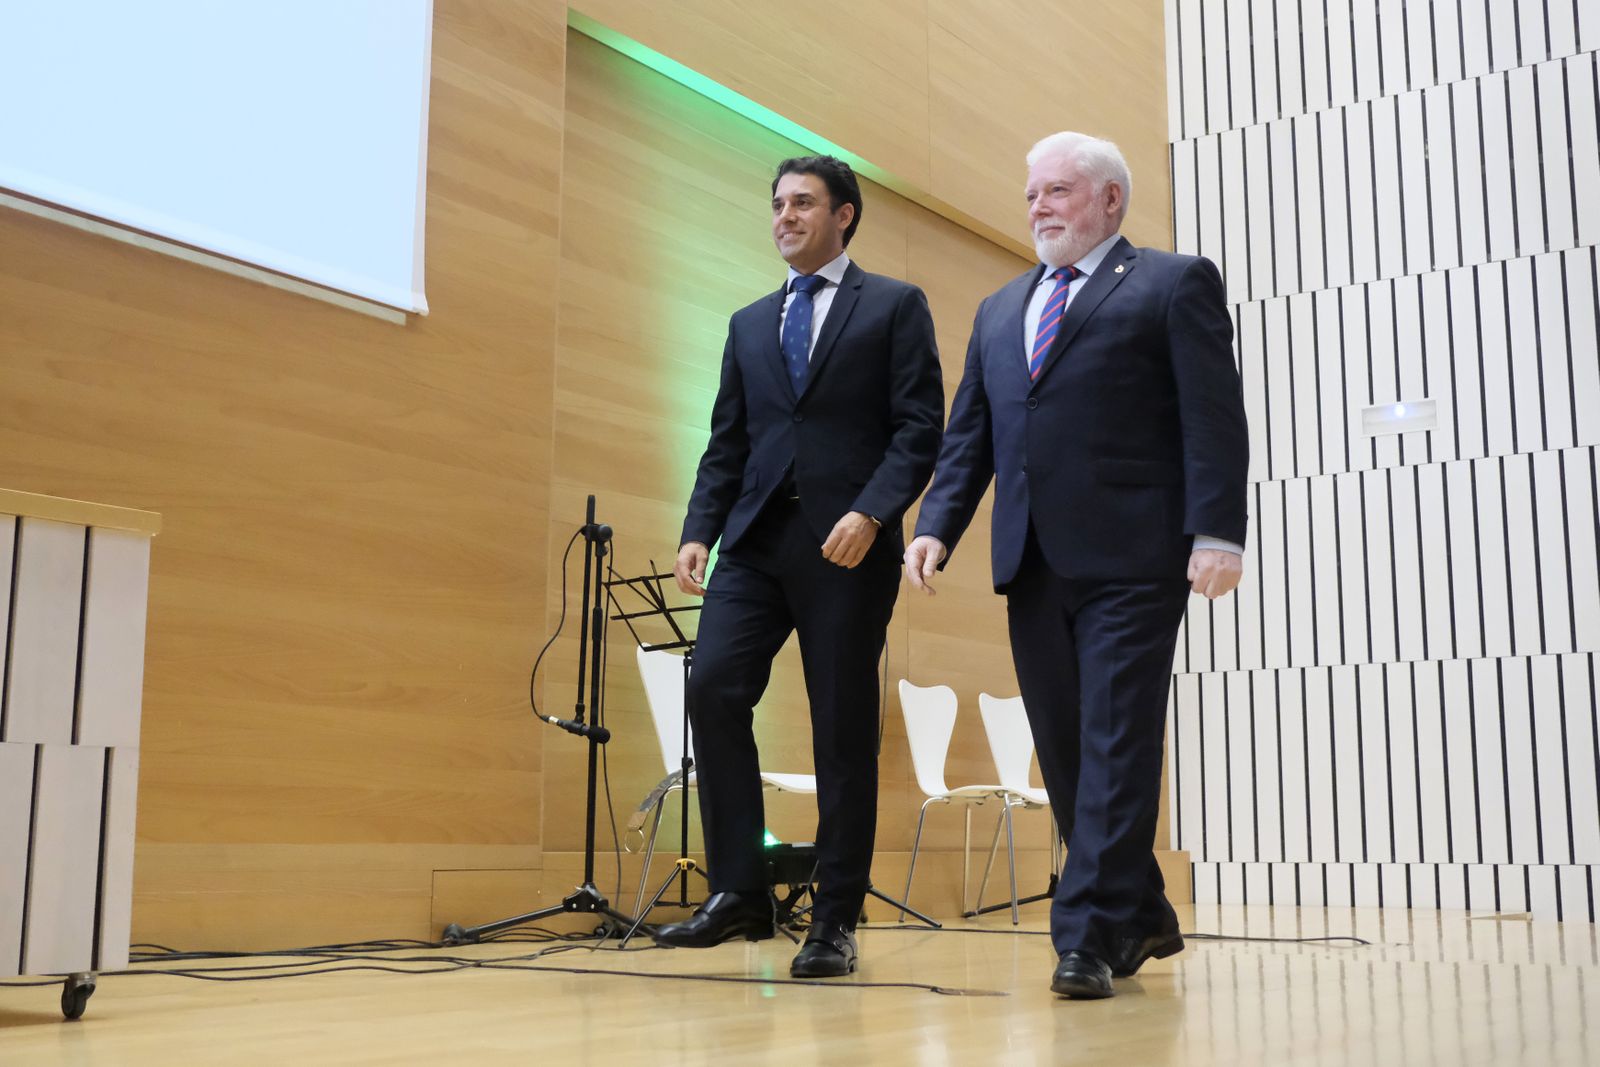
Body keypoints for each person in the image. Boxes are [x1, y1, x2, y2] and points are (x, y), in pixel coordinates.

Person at [904, 131, 1248, 999]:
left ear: (1109, 199)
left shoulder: (1173, 282)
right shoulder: (999, 309)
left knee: (1115, 739)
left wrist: (1218, 531)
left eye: (1056, 190)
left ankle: (1085, 932)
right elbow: (971, 434)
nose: (1038, 207)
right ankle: (1141, 912)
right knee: (1065, 748)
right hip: (1031, 559)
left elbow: (1213, 417)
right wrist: (936, 524)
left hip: (1136, 558)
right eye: (1031, 194)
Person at [652, 155, 943, 978]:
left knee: (841, 724)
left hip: (846, 543)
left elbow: (920, 427)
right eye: (777, 203)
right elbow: (728, 440)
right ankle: (740, 890)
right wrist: (700, 528)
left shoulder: (893, 305)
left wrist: (873, 510)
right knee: (713, 688)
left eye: (803, 203)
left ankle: (836, 915)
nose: (784, 216)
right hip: (755, 541)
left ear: (843, 214)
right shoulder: (749, 323)